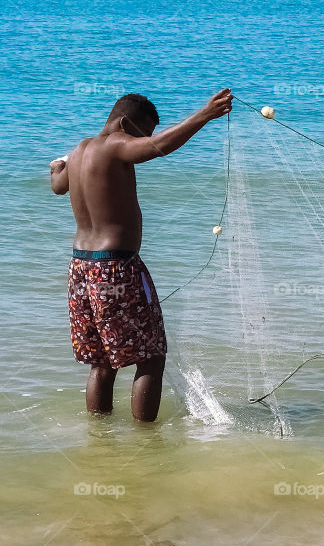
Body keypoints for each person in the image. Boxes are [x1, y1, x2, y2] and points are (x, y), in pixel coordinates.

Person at [49, 89, 233, 422]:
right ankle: (146, 439)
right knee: (151, 357)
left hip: (80, 267)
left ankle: (100, 436)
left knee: (102, 361)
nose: (138, 144)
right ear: (122, 123)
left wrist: (56, 166)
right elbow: (157, 146)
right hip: (115, 268)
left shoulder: (78, 152)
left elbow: (57, 185)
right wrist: (204, 115)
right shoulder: (114, 144)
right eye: (139, 134)